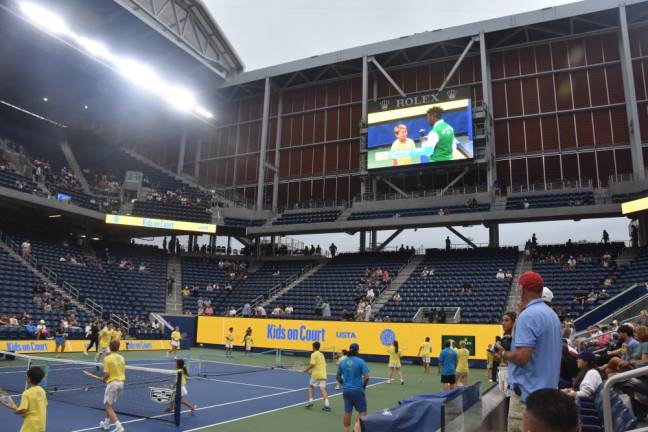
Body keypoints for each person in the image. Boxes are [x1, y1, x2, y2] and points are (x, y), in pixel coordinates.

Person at [494, 271, 562, 432]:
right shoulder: (552, 315)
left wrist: (503, 354)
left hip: (528, 398)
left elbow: (522, 356)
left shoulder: (529, 315)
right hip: (547, 396)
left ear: (523, 289)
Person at [336, 343, 369, 432]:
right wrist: (364, 386)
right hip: (358, 390)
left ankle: (346, 430)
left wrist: (344, 385)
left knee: (347, 412)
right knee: (363, 412)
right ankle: (356, 429)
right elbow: (366, 377)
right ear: (357, 351)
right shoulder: (361, 361)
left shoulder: (342, 362)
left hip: (346, 390)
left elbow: (338, 377)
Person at [11, 366, 47, 432]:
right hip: (41, 424)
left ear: (29, 379)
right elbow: (45, 405)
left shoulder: (26, 393)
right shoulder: (42, 391)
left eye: (27, 377)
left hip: (30, 426)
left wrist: (17, 411)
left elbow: (23, 409)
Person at [100, 340, 125, 432]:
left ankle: (119, 427)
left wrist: (103, 379)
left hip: (113, 384)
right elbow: (120, 371)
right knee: (109, 405)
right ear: (118, 347)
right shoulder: (122, 358)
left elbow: (107, 374)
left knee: (108, 406)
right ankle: (106, 424)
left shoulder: (107, 358)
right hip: (120, 383)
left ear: (109, 347)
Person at [304, 341, 331, 411]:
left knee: (311, 386)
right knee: (322, 388)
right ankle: (327, 404)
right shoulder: (322, 354)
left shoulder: (313, 354)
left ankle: (311, 401)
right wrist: (312, 371)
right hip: (323, 373)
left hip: (316, 374)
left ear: (313, 347)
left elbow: (313, 364)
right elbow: (323, 365)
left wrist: (306, 370)